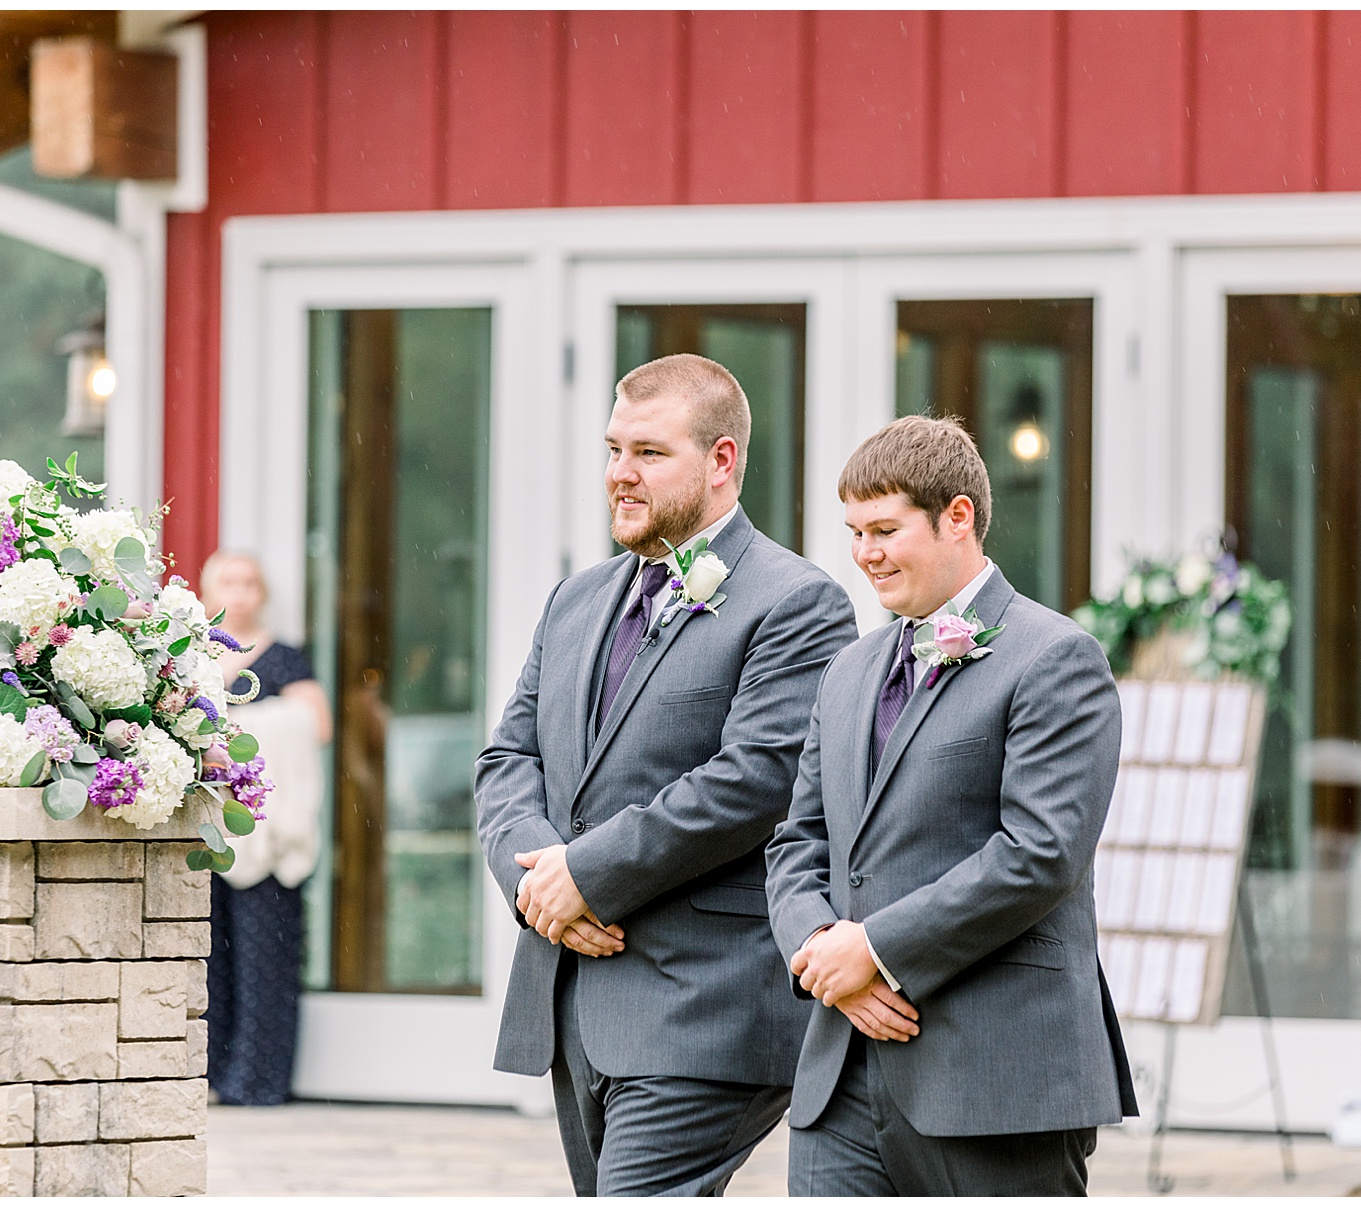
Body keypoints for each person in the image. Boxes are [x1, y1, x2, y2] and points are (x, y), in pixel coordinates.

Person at [475, 353, 858, 1196]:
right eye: (613, 450)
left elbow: (755, 780)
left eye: (648, 453)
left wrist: (588, 874)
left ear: (721, 461)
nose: (620, 473)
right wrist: (541, 880)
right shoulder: (574, 599)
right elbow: (508, 760)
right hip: (574, 994)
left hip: (706, 1002)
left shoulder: (796, 600)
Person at [764, 415, 1138, 1196]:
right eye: (854, 531)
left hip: (996, 1076)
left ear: (957, 517)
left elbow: (1038, 854)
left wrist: (874, 950)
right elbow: (796, 839)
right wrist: (822, 946)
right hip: (840, 1076)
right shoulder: (847, 671)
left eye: (885, 528)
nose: (864, 552)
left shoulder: (1056, 657)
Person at [199, 550, 332, 1107]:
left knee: (264, 958)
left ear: (264, 592)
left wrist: (237, 728)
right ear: (208, 590)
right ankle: (207, 1075)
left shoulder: (282, 658)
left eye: (250, 581)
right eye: (229, 580)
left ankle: (257, 1080)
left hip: (267, 832)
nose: (240, 591)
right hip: (208, 829)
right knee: (210, 958)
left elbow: (317, 724)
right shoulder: (191, 655)